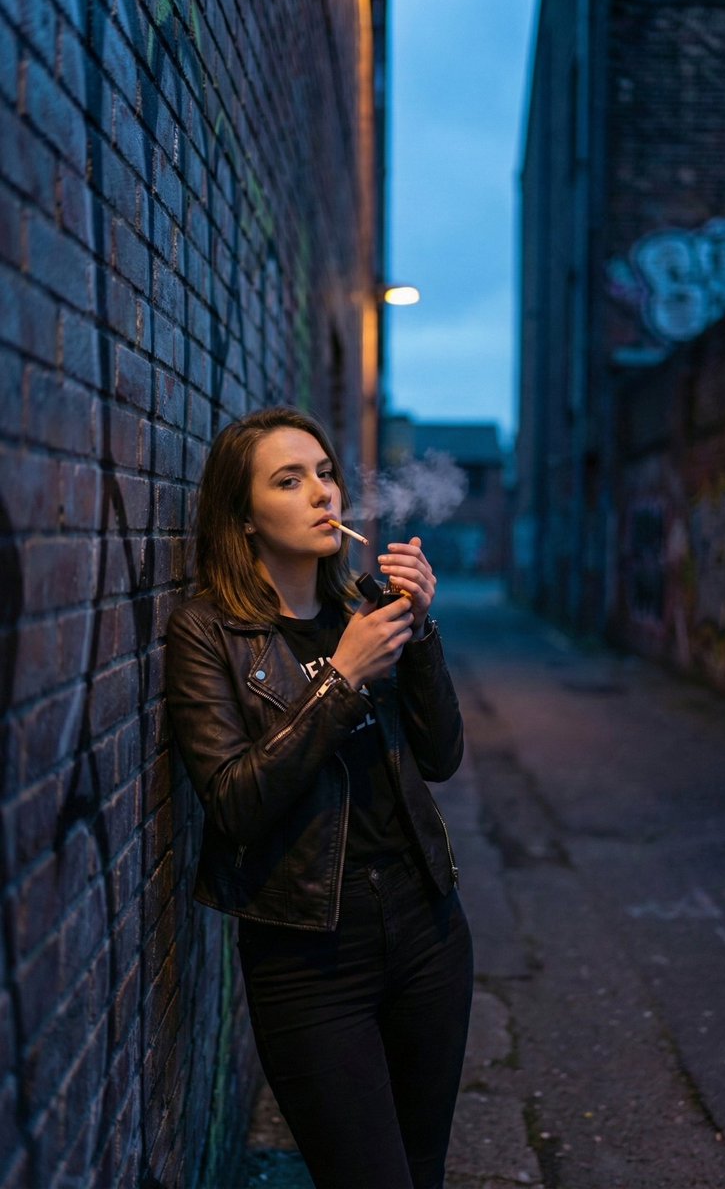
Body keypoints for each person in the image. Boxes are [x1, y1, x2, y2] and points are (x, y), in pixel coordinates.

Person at [166, 405, 473, 1189]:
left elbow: (440, 758)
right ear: (242, 518)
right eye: (289, 480)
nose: (322, 495)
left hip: (426, 927)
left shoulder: (361, 609)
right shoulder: (208, 633)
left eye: (326, 474)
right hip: (309, 954)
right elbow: (234, 803)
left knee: (422, 1169)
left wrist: (421, 632)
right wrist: (340, 680)